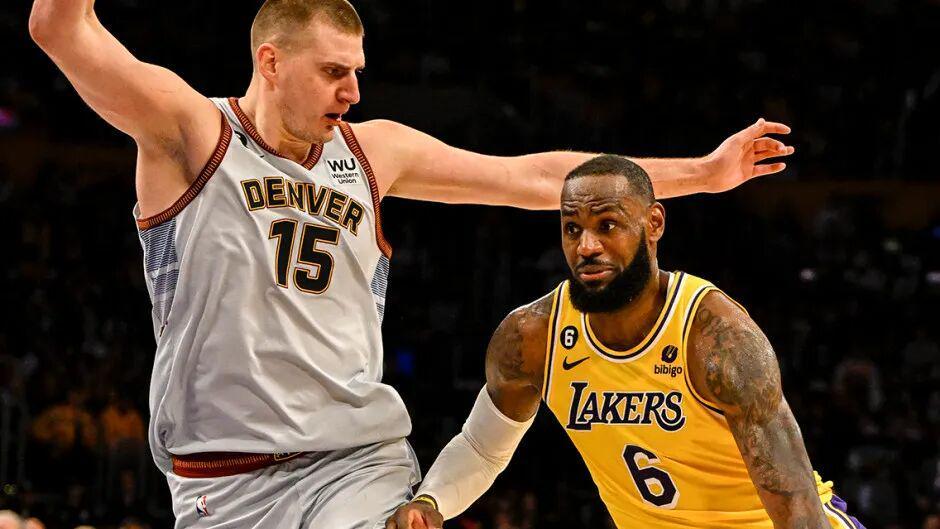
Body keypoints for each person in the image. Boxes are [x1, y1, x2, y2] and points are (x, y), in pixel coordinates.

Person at [28, 1, 794, 527]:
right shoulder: (192, 131)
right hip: (220, 477)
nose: (353, 90)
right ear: (271, 61)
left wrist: (704, 172)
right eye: (334, 71)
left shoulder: (373, 151)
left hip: (351, 463)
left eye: (357, 70)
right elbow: (60, 28)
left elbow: (532, 176)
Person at [388, 156, 864, 529]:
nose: (586, 246)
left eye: (607, 225)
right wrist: (432, 501)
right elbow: (481, 448)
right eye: (572, 228)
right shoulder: (532, 337)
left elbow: (797, 504)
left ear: (654, 224)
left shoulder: (716, 337)